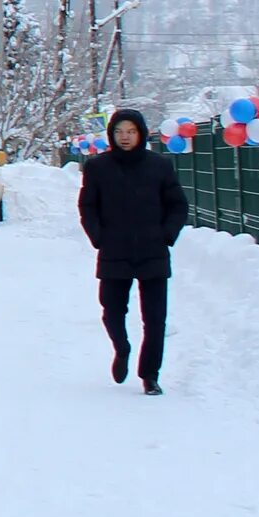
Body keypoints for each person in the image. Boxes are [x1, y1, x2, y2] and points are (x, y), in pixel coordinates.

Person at [78, 105, 188, 393]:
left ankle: (150, 375)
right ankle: (122, 348)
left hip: (153, 251)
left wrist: (166, 234)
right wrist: (98, 236)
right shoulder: (98, 168)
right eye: (119, 132)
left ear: (141, 134)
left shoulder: (160, 166)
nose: (125, 137)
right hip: (114, 250)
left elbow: (178, 204)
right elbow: (87, 205)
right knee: (111, 311)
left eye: (131, 132)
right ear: (112, 135)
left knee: (155, 318)